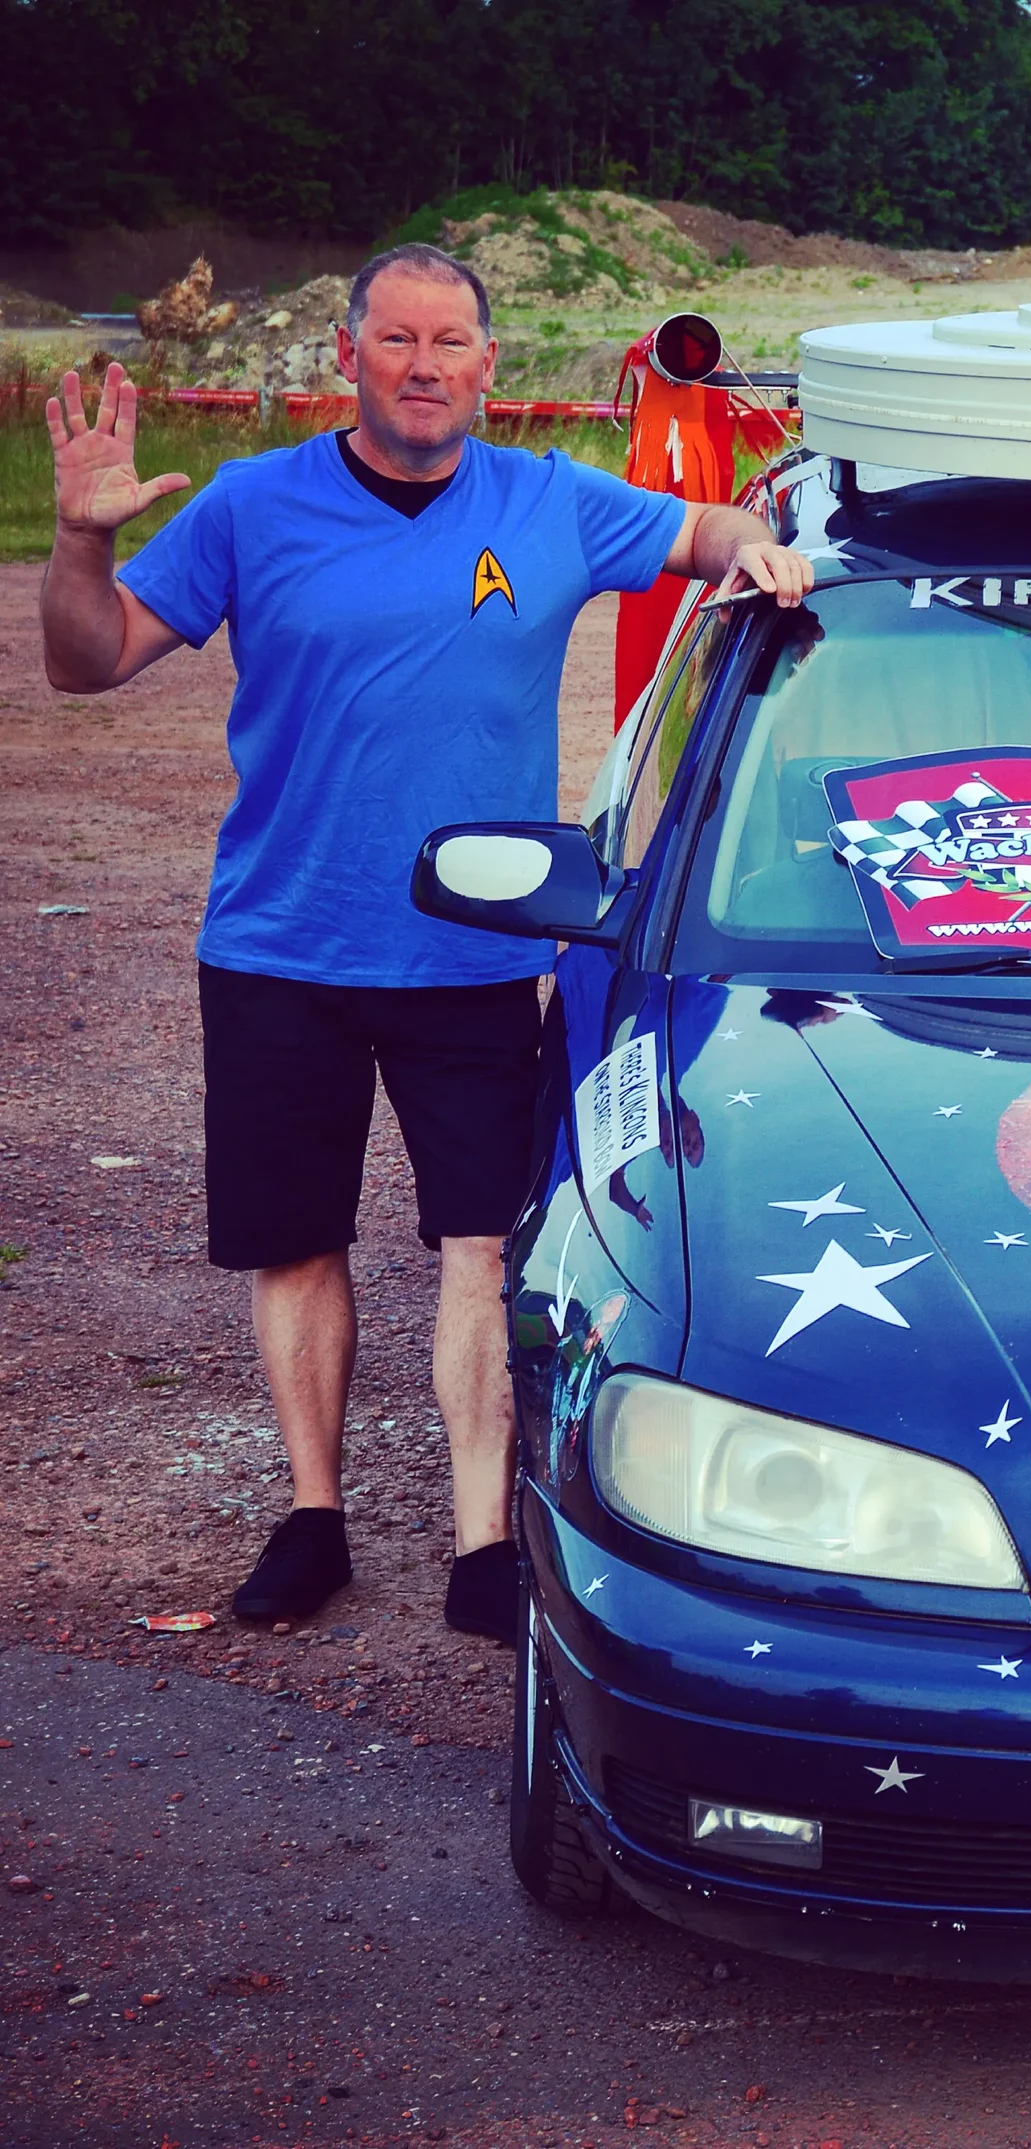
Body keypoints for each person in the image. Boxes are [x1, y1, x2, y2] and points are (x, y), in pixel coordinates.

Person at [40, 243, 816, 1643]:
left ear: (488, 366)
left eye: (449, 341)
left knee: (478, 1245)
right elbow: (85, 663)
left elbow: (695, 530)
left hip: (475, 954)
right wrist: (83, 539)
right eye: (395, 340)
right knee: (295, 1245)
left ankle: (477, 1545)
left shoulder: (553, 501)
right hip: (282, 945)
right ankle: (313, 1515)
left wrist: (752, 547)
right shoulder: (248, 505)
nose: (422, 365)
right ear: (348, 356)